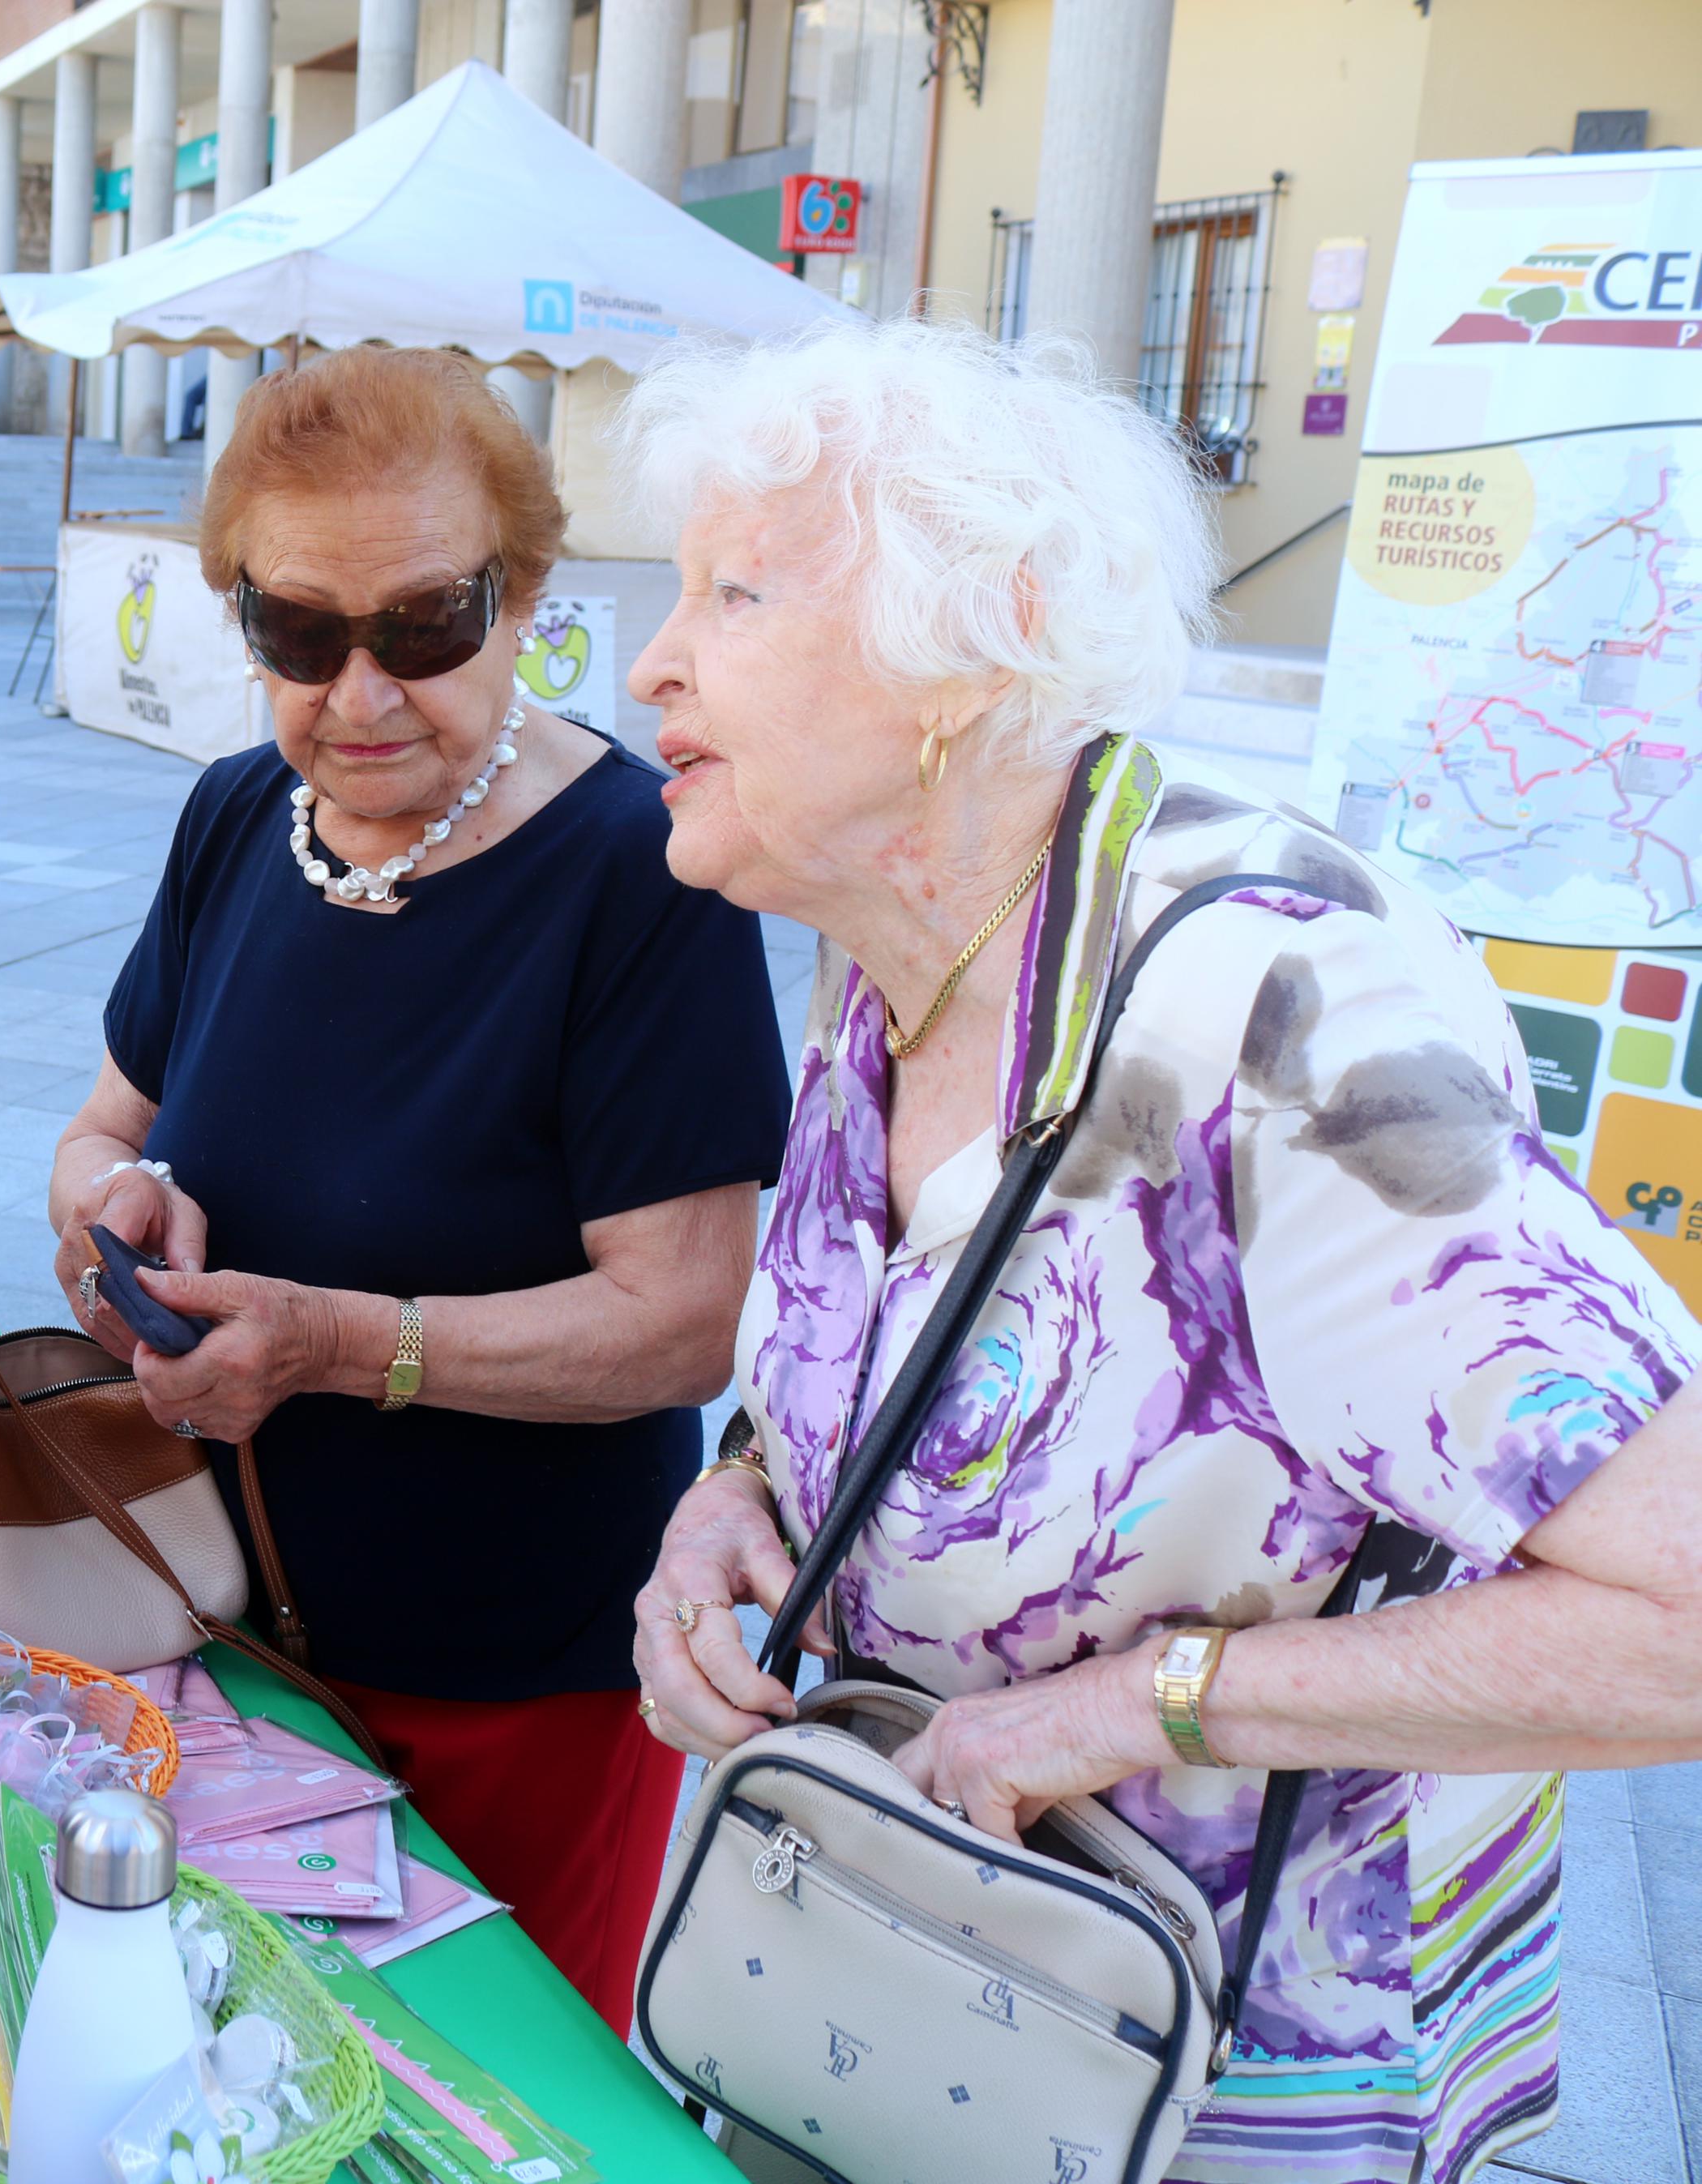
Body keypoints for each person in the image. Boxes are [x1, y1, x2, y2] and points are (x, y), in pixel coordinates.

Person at [625, 317, 1702, 2184]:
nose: (648, 662)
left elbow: (1676, 1616)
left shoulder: (1283, 1006)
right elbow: (895, 1314)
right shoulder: (888, 938)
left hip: (1221, 2066)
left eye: (729, 594)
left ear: (971, 651)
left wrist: (1139, 1706)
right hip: (896, 1972)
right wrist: (735, 1493)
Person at [46, 346, 790, 2028]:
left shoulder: (638, 870)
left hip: (508, 1682)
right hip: (225, 1637)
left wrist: (331, 1342)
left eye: (424, 628)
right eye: (296, 635)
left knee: (484, 2097)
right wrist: (112, 1226)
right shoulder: (240, 816)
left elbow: (682, 1321)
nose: (359, 694)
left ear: (520, 598)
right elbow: (99, 1134)